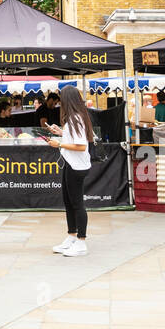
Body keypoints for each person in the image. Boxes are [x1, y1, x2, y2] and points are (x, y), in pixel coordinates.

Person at [47, 85, 94, 257]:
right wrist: (61, 133)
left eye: (62, 99)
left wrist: (58, 143)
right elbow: (74, 140)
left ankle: (81, 242)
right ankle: (72, 236)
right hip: (70, 164)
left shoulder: (76, 118)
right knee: (69, 201)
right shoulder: (75, 118)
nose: (60, 102)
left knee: (77, 203)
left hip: (76, 166)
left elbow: (81, 146)